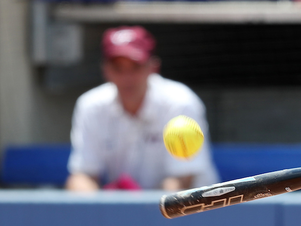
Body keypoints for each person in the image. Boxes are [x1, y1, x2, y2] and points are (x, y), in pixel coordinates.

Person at [66, 26, 217, 193]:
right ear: (105, 70)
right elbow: (83, 175)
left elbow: (183, 180)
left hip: (191, 214)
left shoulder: (180, 103)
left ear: (153, 67)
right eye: (118, 68)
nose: (127, 77)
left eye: (135, 67)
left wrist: (135, 208)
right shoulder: (90, 106)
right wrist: (99, 209)